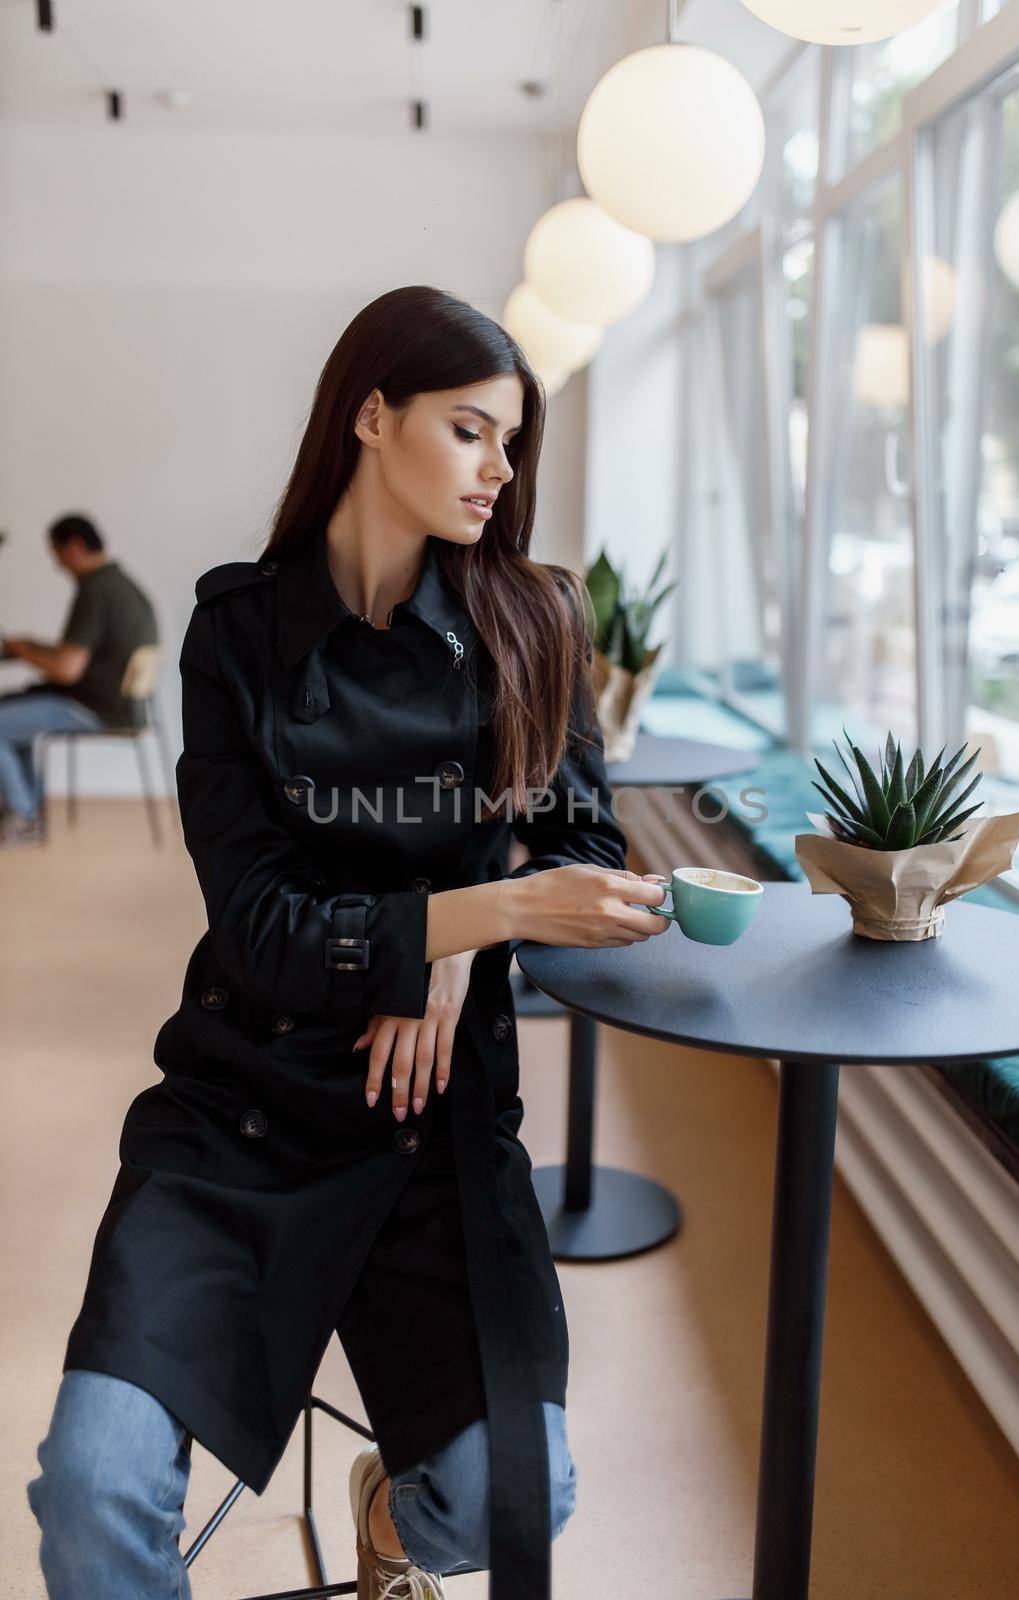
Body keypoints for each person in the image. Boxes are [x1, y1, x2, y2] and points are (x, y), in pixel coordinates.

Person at [25, 284, 673, 1599]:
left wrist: (449, 945)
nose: (500, 469)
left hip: (433, 1124)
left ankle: (389, 1519)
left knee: (513, 1506)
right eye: (469, 430)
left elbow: (584, 862)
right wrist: (471, 914)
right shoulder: (237, 635)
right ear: (370, 415)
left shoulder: (535, 622)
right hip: (242, 1113)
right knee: (92, 1495)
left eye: (512, 441)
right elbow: (259, 932)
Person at [0, 514, 159, 848]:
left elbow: (66, 669)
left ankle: (24, 818)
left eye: (56, 554)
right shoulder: (119, 585)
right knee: (13, 716)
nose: (58, 564)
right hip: (119, 704)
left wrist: (22, 649)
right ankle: (27, 814)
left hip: (97, 708)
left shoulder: (97, 589)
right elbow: (74, 657)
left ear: (73, 547)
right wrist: (26, 648)